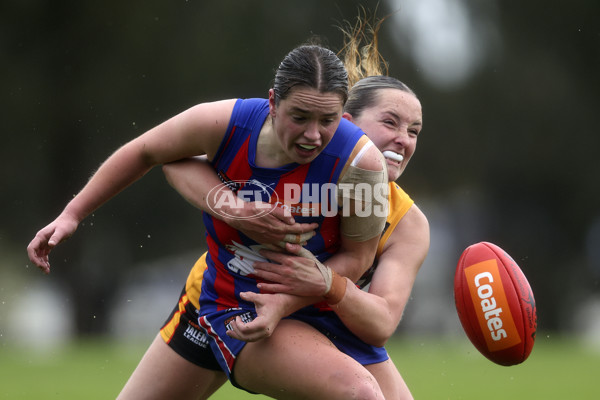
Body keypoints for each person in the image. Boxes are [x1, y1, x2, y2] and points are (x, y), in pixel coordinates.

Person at [27, 36, 390, 400]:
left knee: (364, 394)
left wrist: (290, 298)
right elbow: (146, 152)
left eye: (327, 121)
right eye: (300, 117)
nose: (313, 135)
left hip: (319, 309)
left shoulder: (363, 164)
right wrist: (72, 215)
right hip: (236, 304)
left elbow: (358, 258)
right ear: (273, 104)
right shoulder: (225, 123)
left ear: (344, 116)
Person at [118, 16, 428, 400]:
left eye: (413, 131)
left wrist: (328, 286)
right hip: (231, 299)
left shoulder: (407, 224)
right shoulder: (298, 156)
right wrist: (229, 207)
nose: (402, 140)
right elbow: (176, 159)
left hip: (324, 314)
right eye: (390, 123)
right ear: (346, 124)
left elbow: (379, 321)